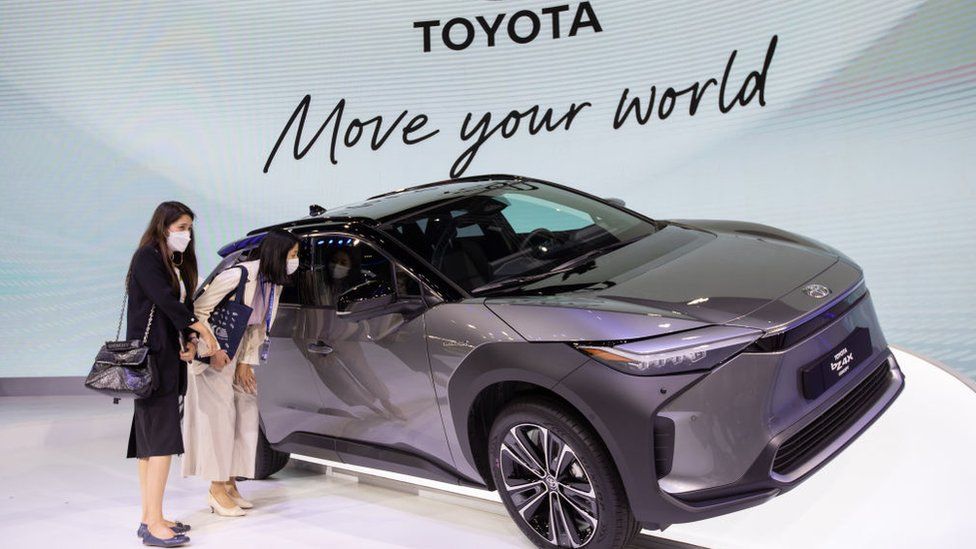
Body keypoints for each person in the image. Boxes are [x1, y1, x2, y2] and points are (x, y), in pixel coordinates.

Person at [182, 228, 300, 516]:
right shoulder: (238, 275)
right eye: (293, 255)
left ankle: (231, 481)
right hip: (214, 358)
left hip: (237, 356)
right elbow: (198, 311)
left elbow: (257, 326)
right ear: (276, 253)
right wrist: (212, 348)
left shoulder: (272, 283)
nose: (296, 261)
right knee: (220, 420)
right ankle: (216, 488)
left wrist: (246, 362)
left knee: (244, 414)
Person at [126, 201, 218, 547]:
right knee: (158, 442)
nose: (186, 233)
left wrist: (191, 339)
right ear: (163, 225)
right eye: (180, 226)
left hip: (166, 359)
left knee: (151, 443)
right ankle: (152, 526)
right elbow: (167, 302)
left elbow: (181, 307)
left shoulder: (172, 262)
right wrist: (200, 330)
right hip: (152, 361)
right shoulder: (147, 257)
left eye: (188, 227)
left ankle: (151, 516)